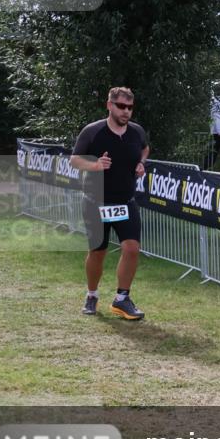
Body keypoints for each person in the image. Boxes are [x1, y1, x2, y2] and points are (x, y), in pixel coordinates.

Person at [70, 87, 150, 320]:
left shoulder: (136, 131)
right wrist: (94, 165)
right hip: (96, 202)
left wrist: (141, 163)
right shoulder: (93, 132)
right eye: (121, 106)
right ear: (109, 105)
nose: (126, 111)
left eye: (130, 107)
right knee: (98, 251)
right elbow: (74, 160)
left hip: (125, 201)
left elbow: (145, 148)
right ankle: (92, 294)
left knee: (132, 248)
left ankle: (122, 299)